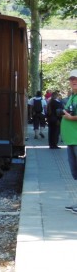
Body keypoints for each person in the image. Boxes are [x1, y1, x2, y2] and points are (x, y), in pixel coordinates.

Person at [62, 70, 77, 213]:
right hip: (72, 139)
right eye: (72, 79)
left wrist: (70, 118)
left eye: (76, 79)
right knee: (75, 172)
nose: (74, 81)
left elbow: (72, 116)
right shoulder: (73, 96)